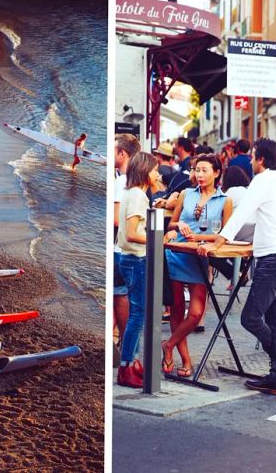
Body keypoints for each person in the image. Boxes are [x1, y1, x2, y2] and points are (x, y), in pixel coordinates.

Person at [199, 139, 276, 396]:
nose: (251, 162)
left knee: (250, 317)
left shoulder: (263, 180)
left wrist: (219, 241)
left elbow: (242, 212)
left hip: (273, 261)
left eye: (254, 157)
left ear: (261, 159)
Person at [162, 154, 233, 377]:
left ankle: (168, 344)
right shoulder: (185, 194)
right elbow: (171, 223)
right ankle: (186, 360)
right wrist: (179, 224)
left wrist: (205, 240)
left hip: (199, 257)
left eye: (203, 170)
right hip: (176, 253)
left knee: (195, 313)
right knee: (176, 310)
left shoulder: (225, 200)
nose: (199, 175)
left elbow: (225, 234)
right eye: (196, 170)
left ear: (217, 172)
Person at [116, 152, 160, 388]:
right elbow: (133, 233)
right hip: (135, 260)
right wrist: (157, 238)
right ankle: (125, 367)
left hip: (130, 259)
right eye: (155, 170)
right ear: (145, 171)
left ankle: (131, 363)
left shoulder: (134, 194)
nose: (158, 174)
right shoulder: (138, 196)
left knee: (138, 313)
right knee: (137, 315)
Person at [113, 133, 141, 350]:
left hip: (120, 247)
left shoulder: (122, 181)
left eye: (114, 150)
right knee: (123, 295)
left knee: (121, 295)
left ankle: (124, 347)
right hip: (130, 249)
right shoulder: (132, 182)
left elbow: (116, 219)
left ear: (122, 154)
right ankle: (124, 347)